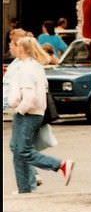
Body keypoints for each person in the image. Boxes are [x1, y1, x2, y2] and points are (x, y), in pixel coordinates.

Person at [8, 36, 74, 194]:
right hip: (32, 112)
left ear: (22, 49)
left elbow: (29, 96)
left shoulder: (26, 69)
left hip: (27, 113)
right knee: (16, 148)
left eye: (15, 45)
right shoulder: (33, 66)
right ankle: (24, 188)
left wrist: (19, 109)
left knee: (22, 150)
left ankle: (60, 165)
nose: (12, 48)